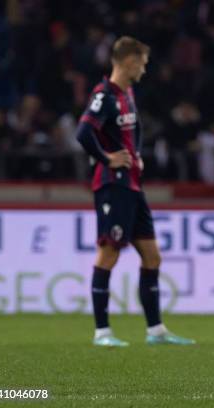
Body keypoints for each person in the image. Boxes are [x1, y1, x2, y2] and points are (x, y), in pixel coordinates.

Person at [74, 36, 195, 347]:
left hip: (132, 185)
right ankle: (102, 332)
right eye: (142, 62)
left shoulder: (127, 93)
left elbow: (132, 131)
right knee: (109, 252)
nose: (144, 68)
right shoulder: (104, 95)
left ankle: (155, 331)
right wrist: (107, 157)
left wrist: (136, 154)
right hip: (112, 184)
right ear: (128, 61)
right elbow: (83, 132)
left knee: (152, 256)